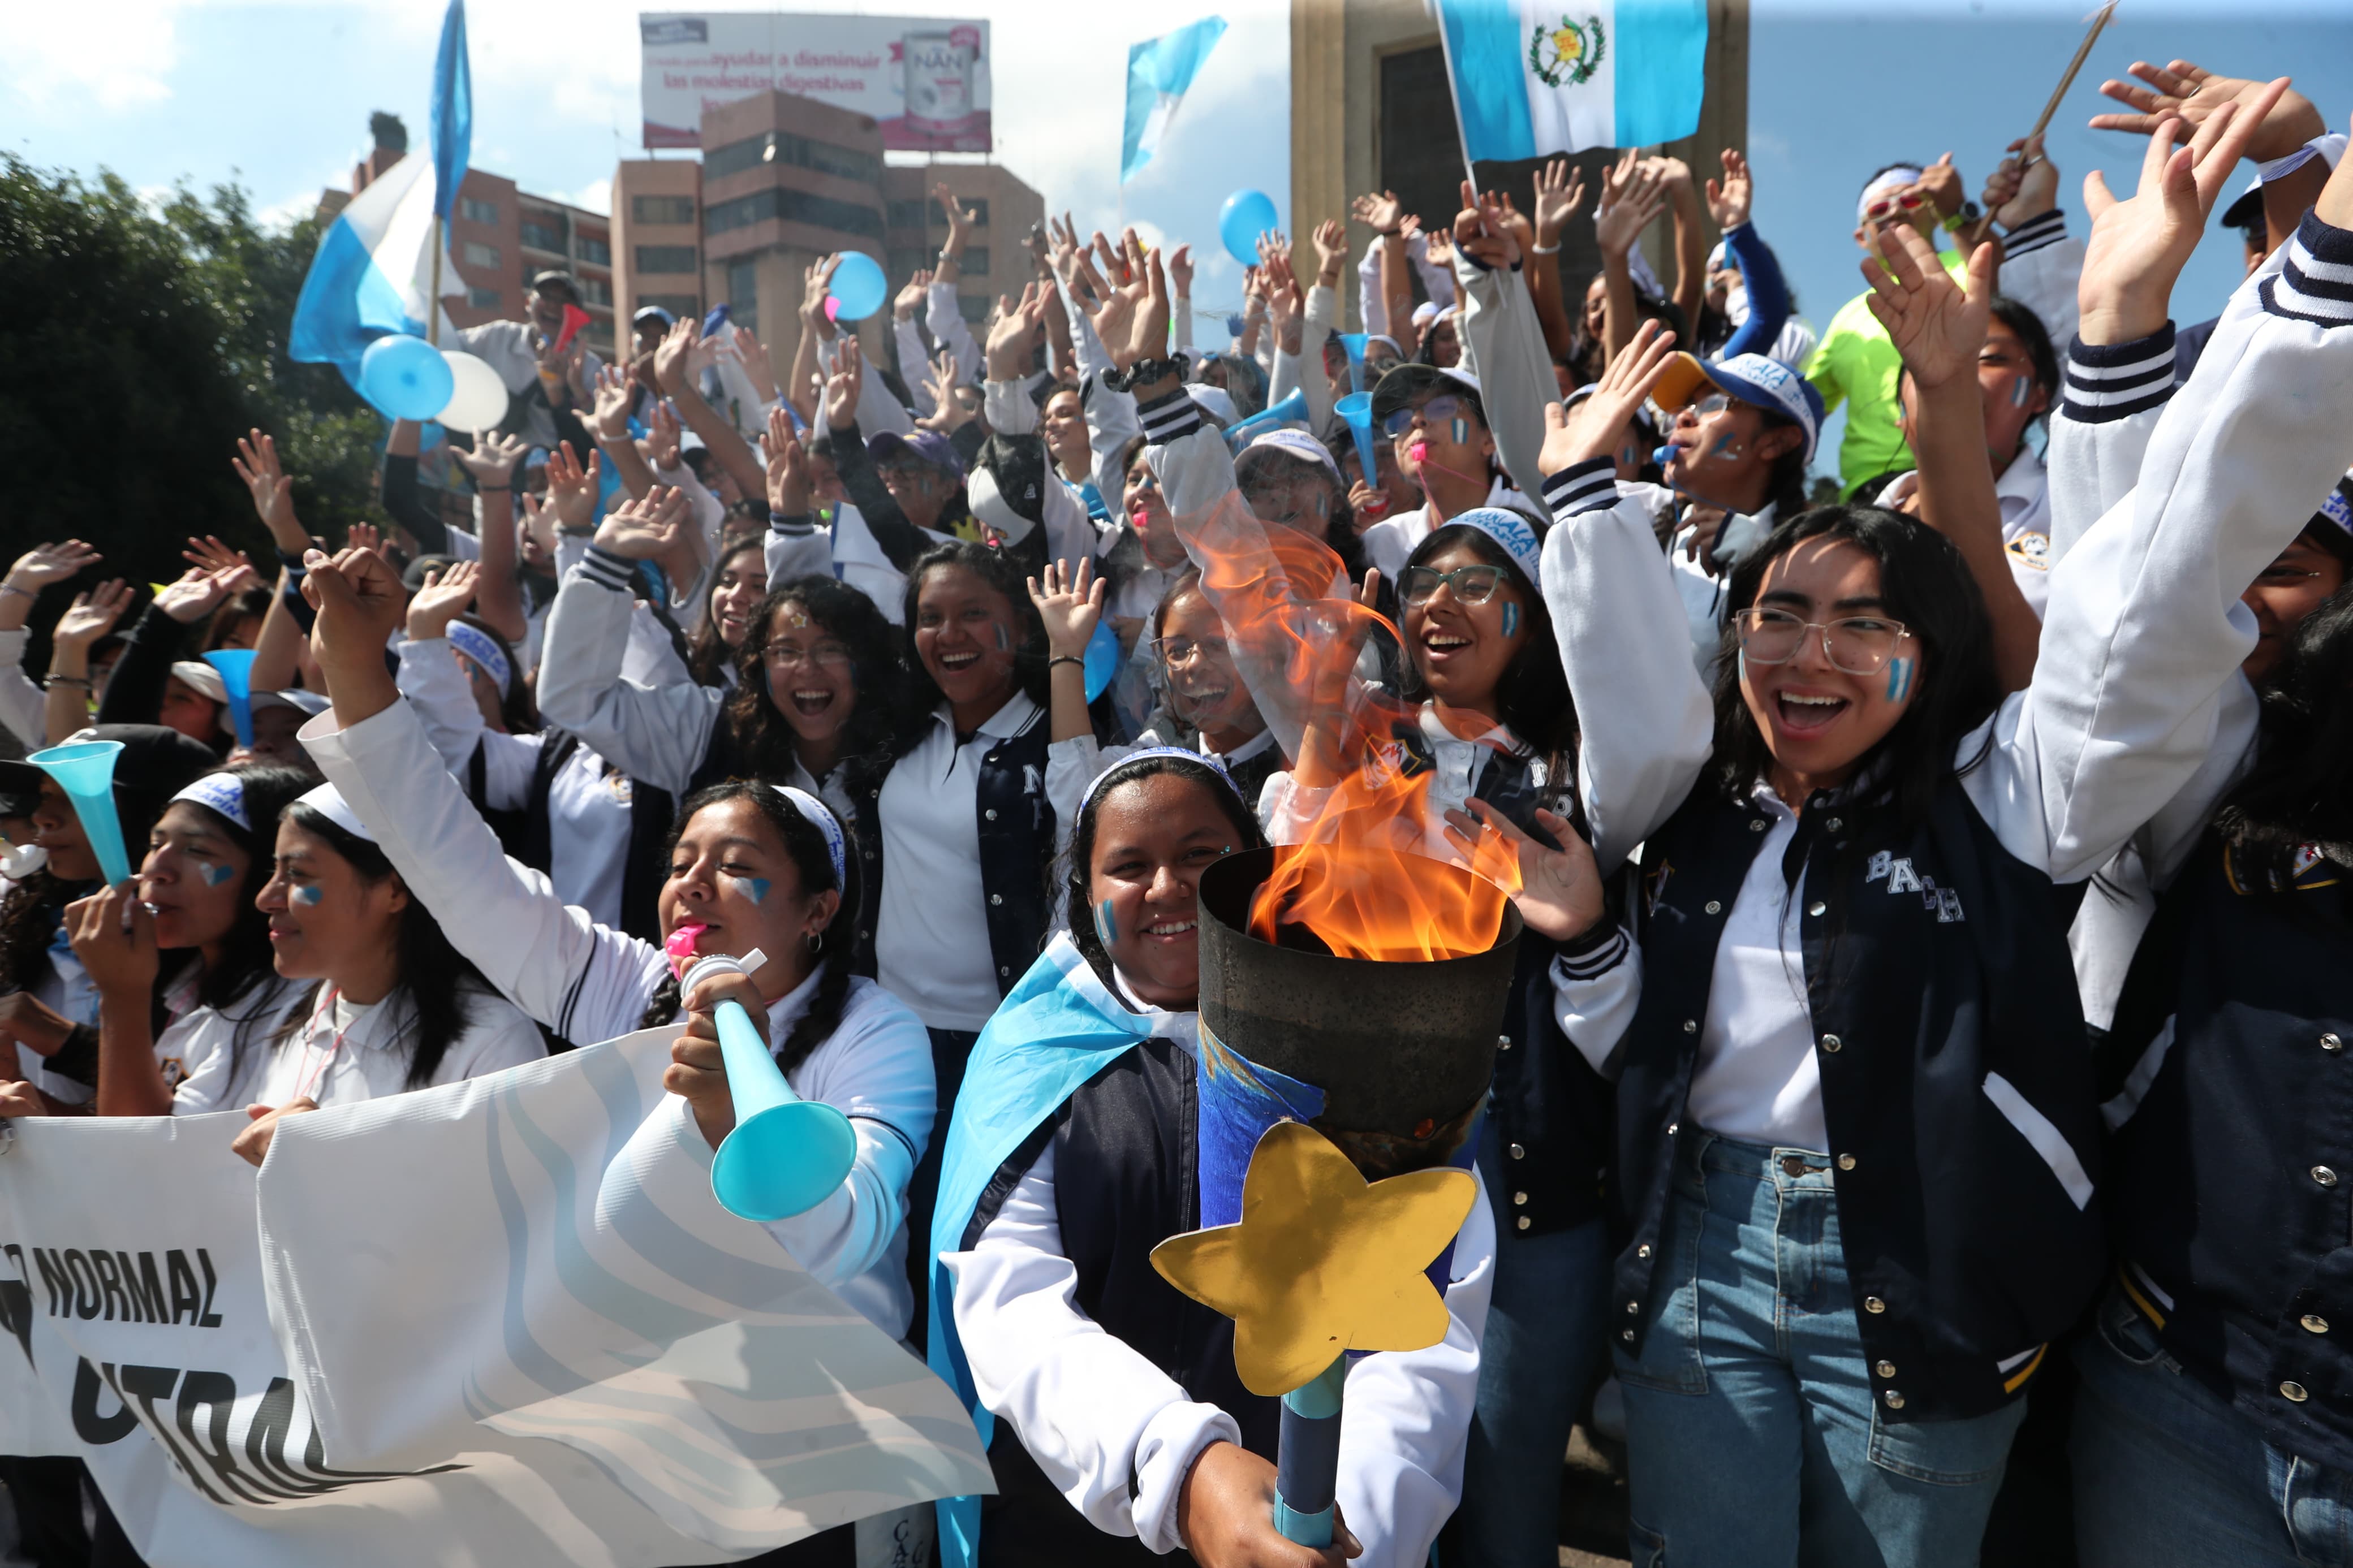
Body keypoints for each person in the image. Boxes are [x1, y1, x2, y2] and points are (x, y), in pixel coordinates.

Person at [1536, 81, 2347, 1566]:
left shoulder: (2001, 799)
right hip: (1699, 1267)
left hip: (1927, 1277)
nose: (1815, 654)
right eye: (1780, 615)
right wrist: (1583, 496)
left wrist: (2158, 313)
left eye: (1867, 626)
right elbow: (1630, 729)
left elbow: (2154, 604)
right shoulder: (1690, 806)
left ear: (1937, 659)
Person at [929, 748, 1493, 1568]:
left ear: (1260, 872)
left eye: (1203, 854)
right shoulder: (1033, 1054)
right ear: (1087, 901)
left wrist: (1349, 1527)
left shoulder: (1359, 1049)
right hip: (1077, 1521)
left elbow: (1428, 1312)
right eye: (1128, 865)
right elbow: (1008, 1302)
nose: (1169, 886)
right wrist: (1179, 1468)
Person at [54, 766, 316, 1116]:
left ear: (269, 875)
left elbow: (141, 1150)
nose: (157, 869)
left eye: (198, 851)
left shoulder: (291, 1008)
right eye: (156, 844)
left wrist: (121, 997)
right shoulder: (191, 982)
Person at [0, 724, 218, 1111]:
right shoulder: (33, 923)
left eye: (74, 797)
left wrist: (60, 1038)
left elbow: (173, 1113)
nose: (43, 817)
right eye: (44, 797)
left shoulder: (200, 952)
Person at [1805, 155, 1974, 496]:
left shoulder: (1971, 262)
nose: (1896, 212)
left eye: (1910, 201)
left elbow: (2010, 296)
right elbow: (1805, 406)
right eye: (1880, 209)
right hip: (1869, 490)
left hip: (1970, 467)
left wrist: (1960, 217)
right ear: (1860, 237)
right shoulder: (1846, 319)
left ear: (1934, 212)